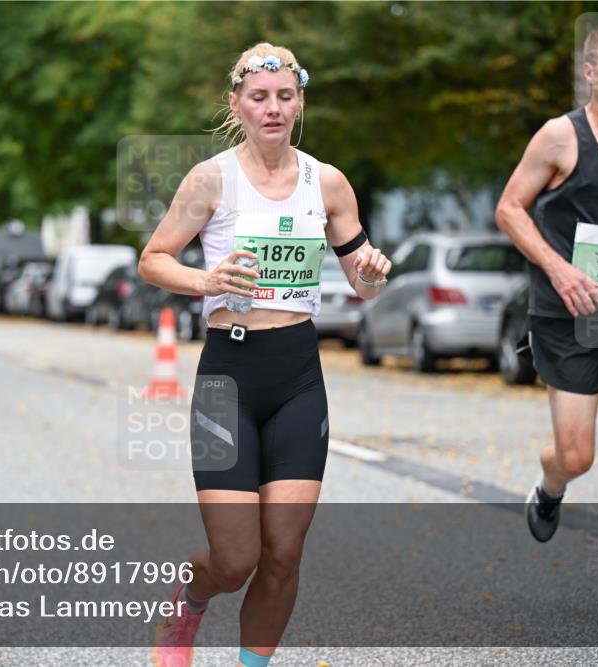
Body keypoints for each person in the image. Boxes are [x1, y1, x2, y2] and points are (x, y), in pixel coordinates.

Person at [138, 43, 392, 667]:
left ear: (299, 101)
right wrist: (207, 281)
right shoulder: (211, 179)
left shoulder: (326, 182)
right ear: (238, 106)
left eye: (285, 96)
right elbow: (153, 259)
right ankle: (188, 603)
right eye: (259, 98)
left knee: (283, 553)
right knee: (234, 559)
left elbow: (360, 277)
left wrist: (374, 272)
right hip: (229, 374)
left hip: (298, 377)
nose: (273, 108)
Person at [495, 22, 598, 631]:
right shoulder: (560, 137)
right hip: (568, 317)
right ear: (590, 73)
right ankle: (552, 482)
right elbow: (509, 208)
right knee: (579, 454)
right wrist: (559, 269)